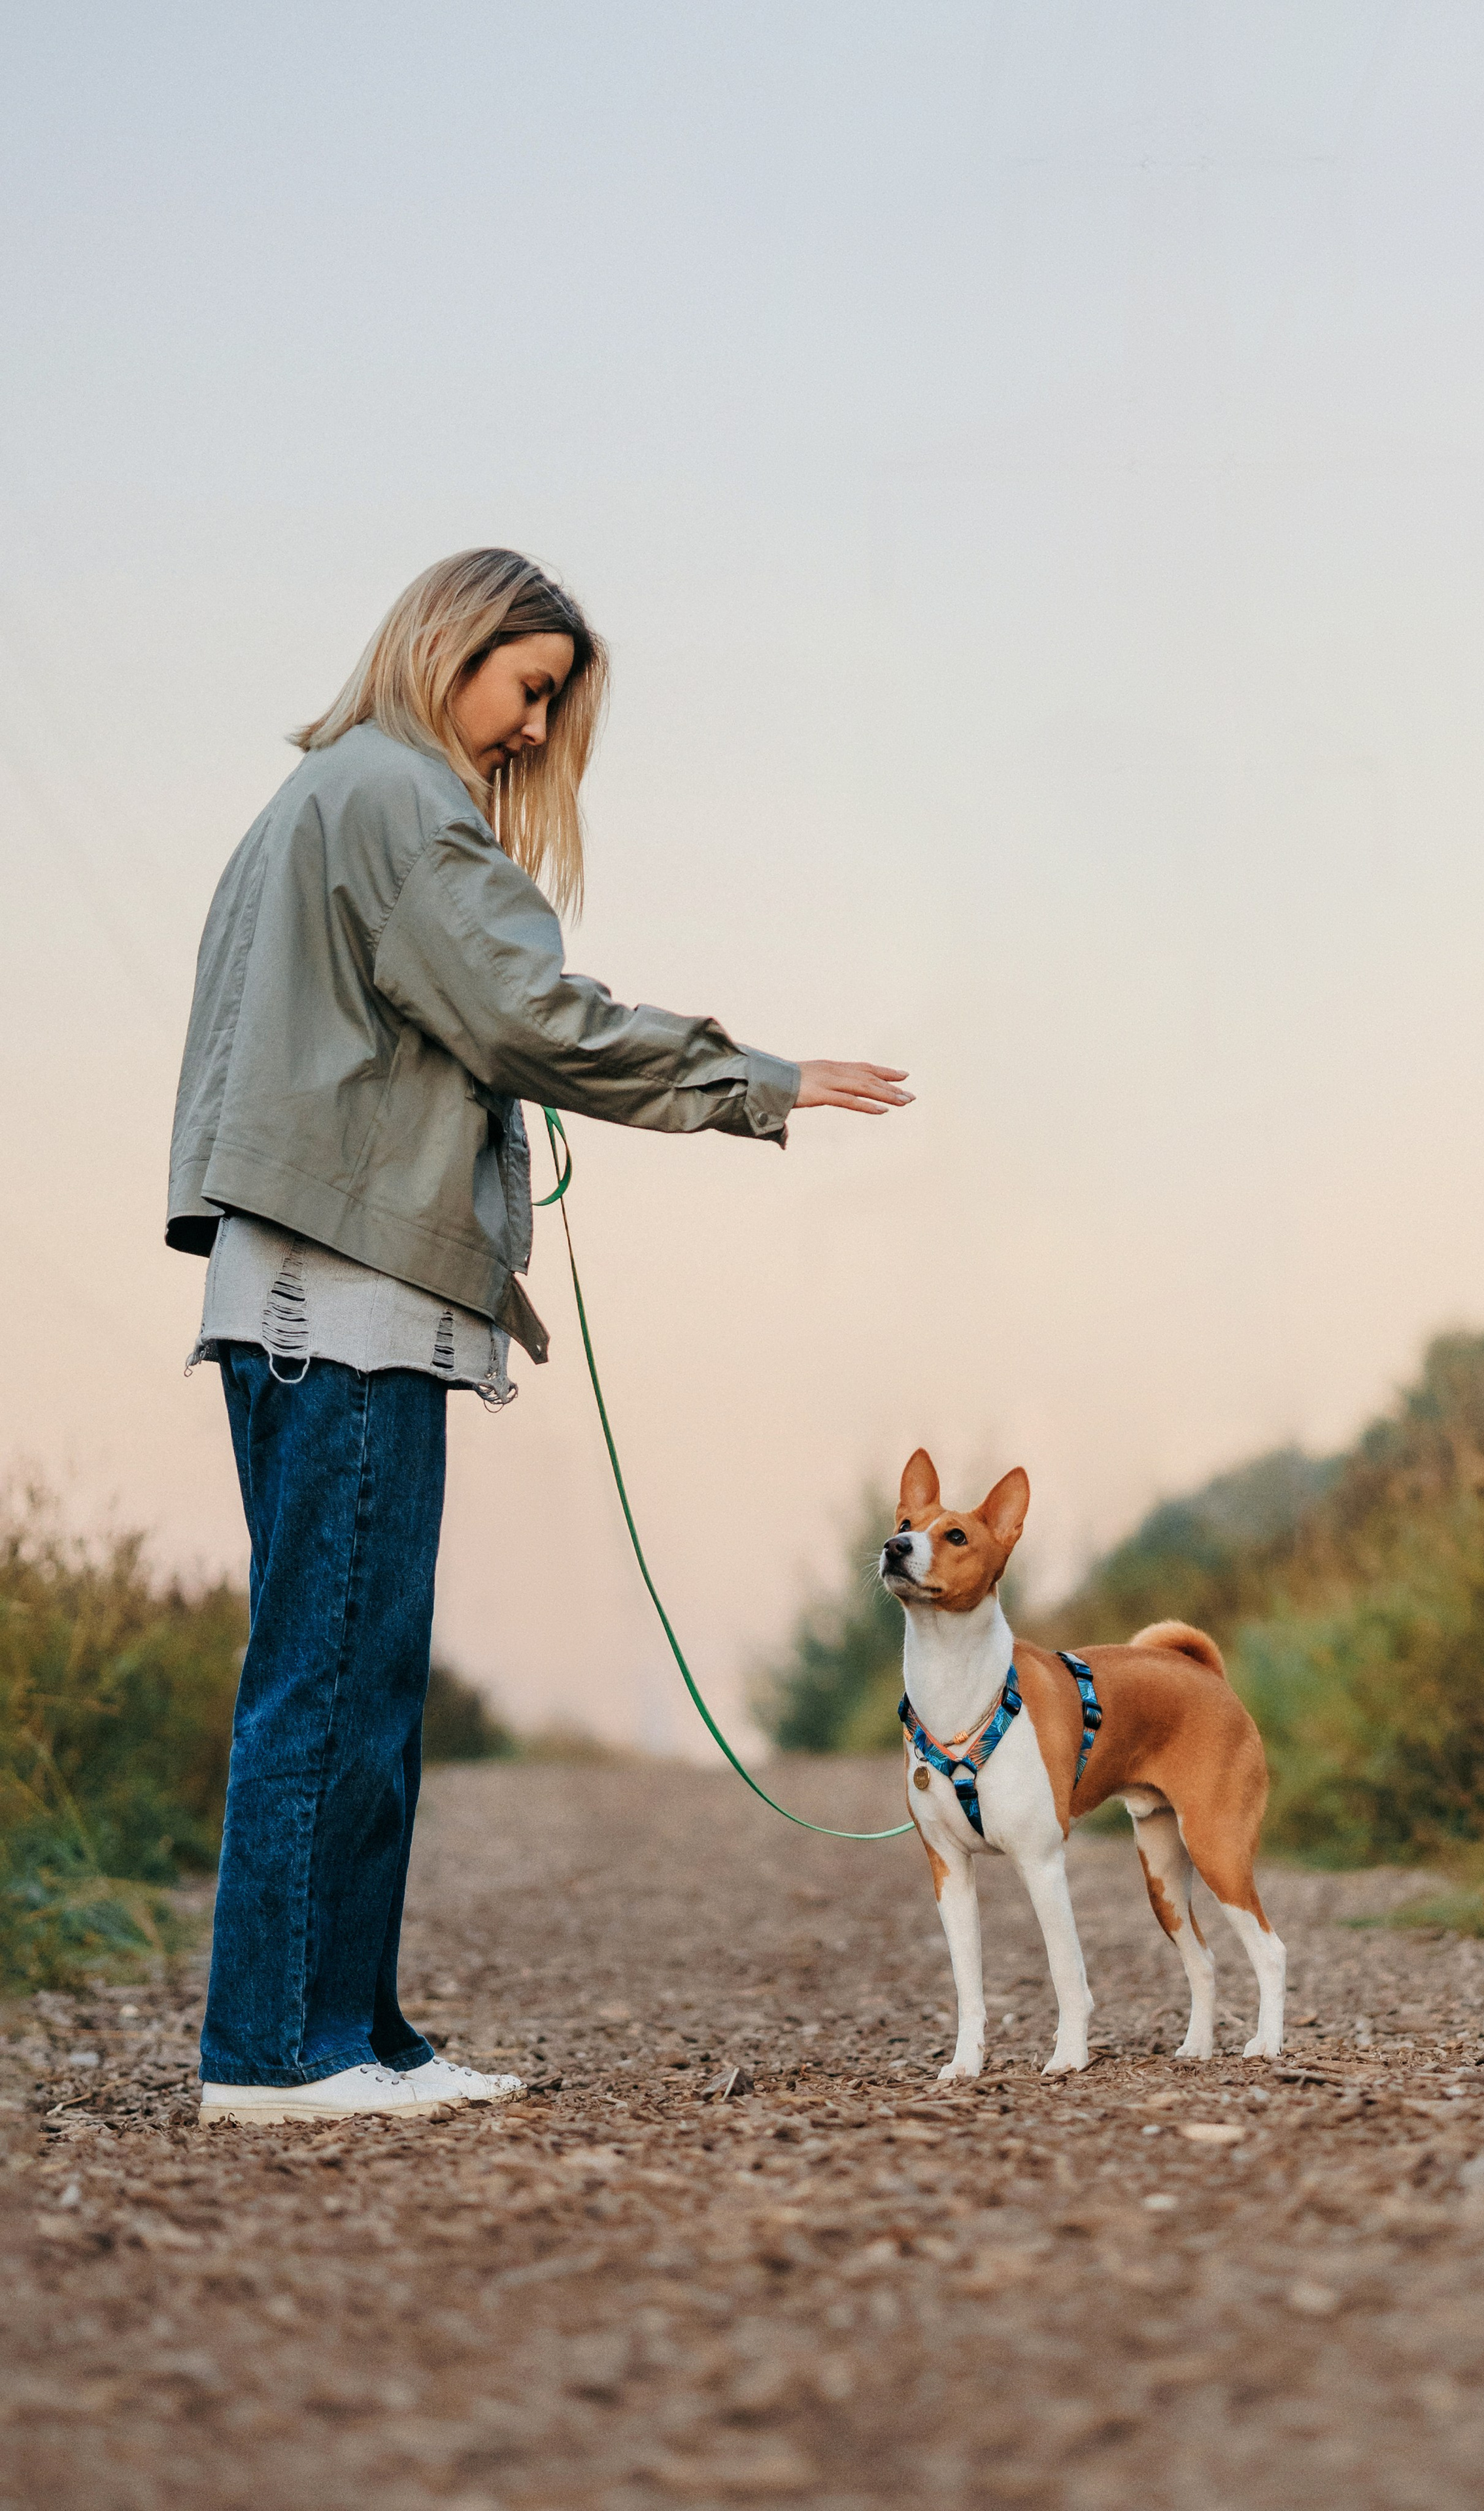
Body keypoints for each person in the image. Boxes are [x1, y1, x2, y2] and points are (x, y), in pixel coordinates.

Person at [167, 547, 911, 2122]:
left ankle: (351, 2034)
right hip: (345, 1291)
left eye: (551, 704)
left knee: (356, 1672)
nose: (529, 729)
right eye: (529, 688)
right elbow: (527, 1017)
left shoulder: (317, 800)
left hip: (309, 1280)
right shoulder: (391, 797)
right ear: (452, 647)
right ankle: (278, 2052)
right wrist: (754, 1079)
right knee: (329, 1673)